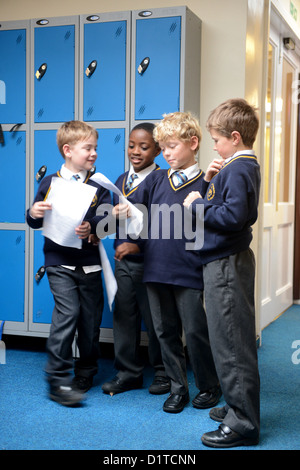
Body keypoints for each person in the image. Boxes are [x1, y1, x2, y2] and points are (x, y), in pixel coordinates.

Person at [183, 98, 261, 447]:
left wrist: (198, 203)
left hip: (226, 265)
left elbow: (231, 218)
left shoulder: (240, 168)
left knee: (230, 342)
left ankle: (242, 422)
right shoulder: (233, 167)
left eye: (216, 139)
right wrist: (210, 181)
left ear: (234, 136)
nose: (214, 145)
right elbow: (224, 207)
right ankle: (235, 406)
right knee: (226, 338)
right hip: (223, 262)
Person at [137, 112, 221, 413]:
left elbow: (216, 222)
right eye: (163, 147)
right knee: (164, 333)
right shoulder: (156, 179)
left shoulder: (209, 181)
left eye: (172, 145)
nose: (166, 152)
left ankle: (209, 385)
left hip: (189, 269)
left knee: (196, 332)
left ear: (193, 143)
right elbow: (136, 214)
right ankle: (177, 387)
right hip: (156, 268)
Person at [26, 120, 111, 406]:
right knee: (68, 314)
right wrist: (34, 211)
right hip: (59, 263)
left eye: (95, 148)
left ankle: (86, 371)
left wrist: (93, 227)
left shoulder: (100, 185)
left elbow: (107, 222)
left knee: (89, 322)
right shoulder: (50, 182)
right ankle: (57, 378)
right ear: (68, 150)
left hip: (90, 265)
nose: (94, 153)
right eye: (88, 148)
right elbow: (34, 219)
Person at [101, 123, 170, 396]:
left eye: (144, 147)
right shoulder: (120, 180)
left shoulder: (162, 180)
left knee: (157, 320)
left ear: (157, 150)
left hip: (151, 262)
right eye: (131, 145)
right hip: (123, 262)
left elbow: (164, 225)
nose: (136, 151)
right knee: (124, 316)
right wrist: (105, 224)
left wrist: (137, 245)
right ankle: (128, 373)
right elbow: (112, 221)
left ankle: (164, 373)